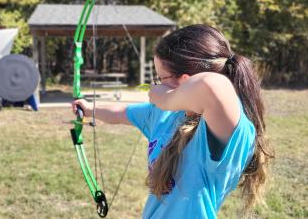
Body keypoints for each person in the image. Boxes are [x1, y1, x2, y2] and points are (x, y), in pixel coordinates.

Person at [72, 24, 273, 218]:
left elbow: (212, 85)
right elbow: (121, 112)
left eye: (161, 78)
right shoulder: (166, 114)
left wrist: (167, 98)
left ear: (185, 80)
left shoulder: (226, 128)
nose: (156, 85)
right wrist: (90, 109)